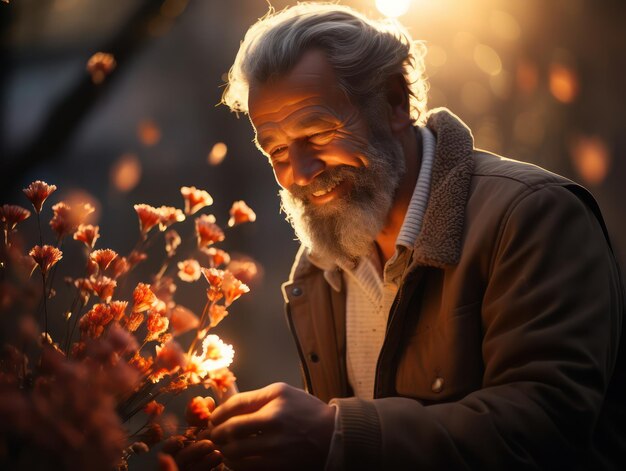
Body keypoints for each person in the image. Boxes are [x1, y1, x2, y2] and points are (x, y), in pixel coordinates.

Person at [172, 3, 625, 470]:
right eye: (278, 150)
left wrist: (335, 433)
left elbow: (546, 430)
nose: (300, 173)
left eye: (320, 133)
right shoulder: (320, 266)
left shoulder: (533, 216)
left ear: (394, 102)